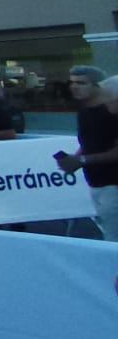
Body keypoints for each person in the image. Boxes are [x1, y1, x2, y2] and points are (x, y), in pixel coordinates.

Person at [55, 67, 118, 241]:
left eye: (81, 83)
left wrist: (81, 160)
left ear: (97, 86)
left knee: (114, 239)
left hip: (113, 183)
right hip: (96, 182)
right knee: (109, 234)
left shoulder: (112, 110)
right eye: (72, 82)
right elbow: (88, 143)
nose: (74, 87)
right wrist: (73, 159)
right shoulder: (85, 110)